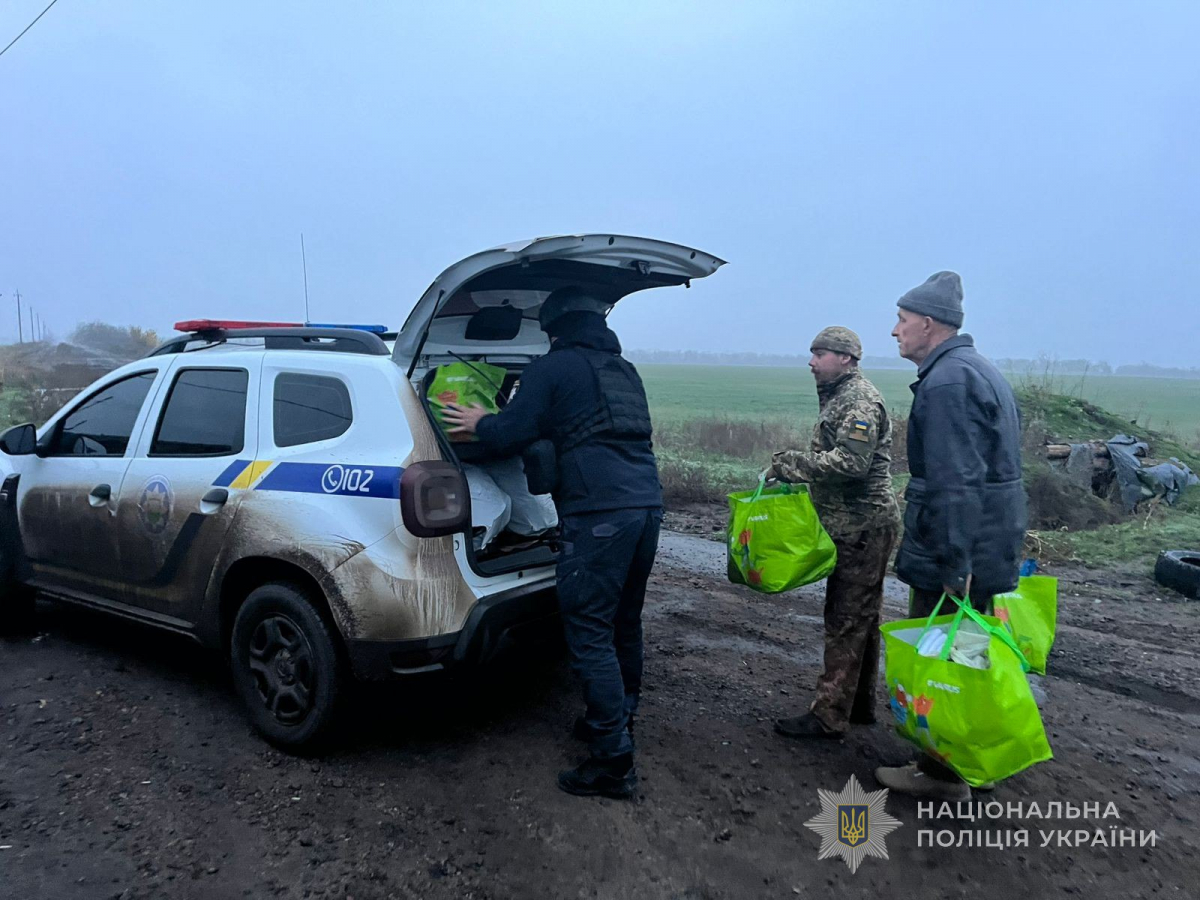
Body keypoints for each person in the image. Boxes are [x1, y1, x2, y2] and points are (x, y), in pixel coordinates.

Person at [441, 285, 662, 800]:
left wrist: (481, 420)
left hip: (598, 514)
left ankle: (612, 761)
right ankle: (619, 720)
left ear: (553, 327)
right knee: (624, 622)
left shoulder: (552, 368)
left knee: (588, 632)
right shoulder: (622, 371)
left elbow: (508, 434)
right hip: (645, 507)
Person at [874, 271, 1027, 801]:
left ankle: (939, 773)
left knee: (943, 659)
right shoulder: (975, 370)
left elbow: (955, 482)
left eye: (901, 320)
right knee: (968, 654)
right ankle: (969, 761)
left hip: (958, 550)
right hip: (984, 543)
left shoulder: (947, 383)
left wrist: (953, 564)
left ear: (928, 324)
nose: (895, 331)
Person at [765, 327, 900, 739]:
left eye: (819, 354)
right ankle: (857, 706)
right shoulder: (841, 396)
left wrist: (790, 465)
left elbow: (850, 464)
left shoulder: (857, 400)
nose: (811, 362)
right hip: (859, 524)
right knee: (862, 617)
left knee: (845, 618)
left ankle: (828, 715)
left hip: (861, 525)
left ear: (846, 358)